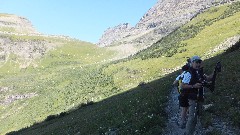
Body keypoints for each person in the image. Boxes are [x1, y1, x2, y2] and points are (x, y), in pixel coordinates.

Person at [181, 55, 213, 135]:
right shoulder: (189, 73)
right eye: (196, 62)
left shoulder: (199, 72)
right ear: (192, 63)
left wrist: (215, 71)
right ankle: (188, 133)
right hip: (192, 98)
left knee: (199, 114)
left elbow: (208, 78)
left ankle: (195, 129)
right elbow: (183, 85)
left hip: (200, 96)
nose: (198, 64)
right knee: (192, 117)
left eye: (199, 62)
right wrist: (193, 86)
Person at [172, 64, 189, 129]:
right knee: (186, 108)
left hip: (181, 94)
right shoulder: (188, 75)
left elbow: (174, 83)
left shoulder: (180, 76)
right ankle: (183, 122)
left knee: (184, 108)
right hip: (187, 93)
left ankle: (182, 122)